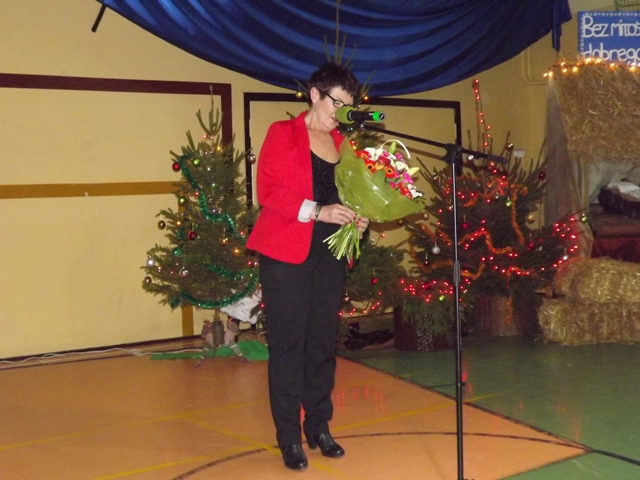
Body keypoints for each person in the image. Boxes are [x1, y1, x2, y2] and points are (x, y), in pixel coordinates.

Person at [246, 62, 369, 471]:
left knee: (321, 344)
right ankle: (288, 437)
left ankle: (318, 426)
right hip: (285, 254)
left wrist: (358, 218)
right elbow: (268, 192)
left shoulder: (344, 144)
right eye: (337, 103)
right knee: (288, 346)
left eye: (349, 106)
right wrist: (319, 210)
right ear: (315, 95)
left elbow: (351, 197)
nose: (342, 113)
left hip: (330, 254)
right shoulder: (282, 133)